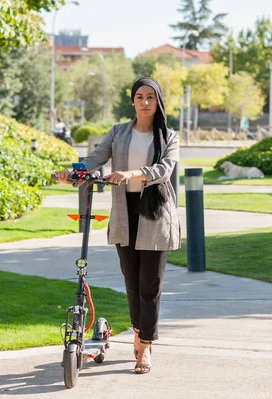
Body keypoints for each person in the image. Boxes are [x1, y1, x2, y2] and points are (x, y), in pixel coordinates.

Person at [55, 77, 180, 374]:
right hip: (125, 213)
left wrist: (131, 173)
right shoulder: (119, 133)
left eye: (151, 97)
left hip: (156, 213)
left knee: (151, 285)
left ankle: (144, 347)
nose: (145, 102)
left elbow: (164, 170)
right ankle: (139, 332)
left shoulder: (169, 136)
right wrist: (72, 174)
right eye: (140, 97)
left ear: (158, 101)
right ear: (133, 101)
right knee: (133, 284)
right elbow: (95, 160)